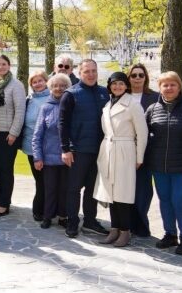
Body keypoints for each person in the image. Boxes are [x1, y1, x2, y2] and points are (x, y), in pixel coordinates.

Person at [145, 71, 182, 255]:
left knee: (180, 200)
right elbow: (146, 135)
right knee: (164, 200)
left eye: (173, 84)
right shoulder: (152, 109)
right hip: (159, 164)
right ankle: (170, 234)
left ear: (179, 87)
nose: (169, 88)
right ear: (160, 88)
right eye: (165, 85)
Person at [94, 72, 148, 248]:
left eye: (121, 84)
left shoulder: (132, 104)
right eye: (114, 84)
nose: (118, 87)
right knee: (111, 193)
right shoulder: (108, 104)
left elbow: (142, 132)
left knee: (123, 194)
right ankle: (114, 229)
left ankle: (125, 231)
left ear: (127, 86)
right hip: (108, 150)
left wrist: (139, 156)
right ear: (109, 86)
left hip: (125, 151)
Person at [59, 59, 110, 238]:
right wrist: (65, 149)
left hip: (99, 151)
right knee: (73, 188)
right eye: (87, 71)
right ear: (79, 73)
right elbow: (63, 124)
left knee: (92, 188)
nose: (91, 74)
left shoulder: (105, 93)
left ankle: (90, 220)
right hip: (78, 151)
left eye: (94, 71)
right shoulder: (71, 94)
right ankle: (72, 221)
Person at [0, 55, 26, 217]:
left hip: (7, 135)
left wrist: (14, 133)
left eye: (3, 64)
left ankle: (4, 203)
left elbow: (20, 111)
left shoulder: (16, 85)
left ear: (9, 65)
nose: (0, 67)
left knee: (5, 170)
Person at [31, 74, 71, 230]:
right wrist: (37, 157)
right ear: (51, 88)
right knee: (49, 189)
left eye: (63, 86)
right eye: (56, 85)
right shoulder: (45, 107)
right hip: (49, 158)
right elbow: (37, 135)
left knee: (65, 189)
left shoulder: (72, 105)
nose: (59, 88)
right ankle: (47, 216)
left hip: (67, 157)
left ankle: (63, 216)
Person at [126, 63, 158, 238]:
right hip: (124, 149)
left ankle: (141, 224)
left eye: (141, 75)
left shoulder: (155, 97)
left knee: (143, 190)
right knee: (126, 189)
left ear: (145, 77)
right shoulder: (121, 96)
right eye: (134, 75)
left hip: (146, 151)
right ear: (128, 78)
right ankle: (127, 223)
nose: (137, 78)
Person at [21, 70, 50, 222]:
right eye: (34, 82)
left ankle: (46, 208)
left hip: (49, 147)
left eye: (40, 81)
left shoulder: (52, 98)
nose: (38, 84)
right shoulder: (28, 99)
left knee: (48, 180)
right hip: (31, 146)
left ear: (46, 81)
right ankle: (39, 208)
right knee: (39, 179)